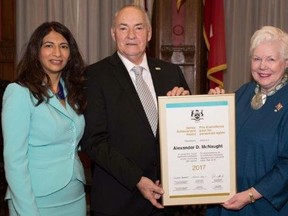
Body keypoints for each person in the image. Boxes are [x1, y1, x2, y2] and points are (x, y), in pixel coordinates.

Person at [80, 4, 190, 216]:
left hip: (168, 200)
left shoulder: (171, 73)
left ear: (149, 33)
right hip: (119, 201)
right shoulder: (95, 76)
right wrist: (137, 179)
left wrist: (183, 110)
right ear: (113, 34)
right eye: (123, 28)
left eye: (138, 28)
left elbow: (188, 134)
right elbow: (94, 142)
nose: (131, 35)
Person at [2, 21, 87, 216]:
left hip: (75, 197)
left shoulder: (74, 93)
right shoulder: (19, 93)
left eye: (63, 46)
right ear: (36, 51)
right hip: (35, 200)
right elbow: (14, 159)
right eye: (49, 45)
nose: (57, 53)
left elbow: (72, 139)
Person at [207, 26, 288, 215]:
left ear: (285, 63)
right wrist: (212, 106)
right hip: (227, 202)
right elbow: (216, 139)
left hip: (265, 206)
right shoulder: (243, 93)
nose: (262, 66)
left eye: (271, 59)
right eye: (257, 58)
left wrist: (250, 195)